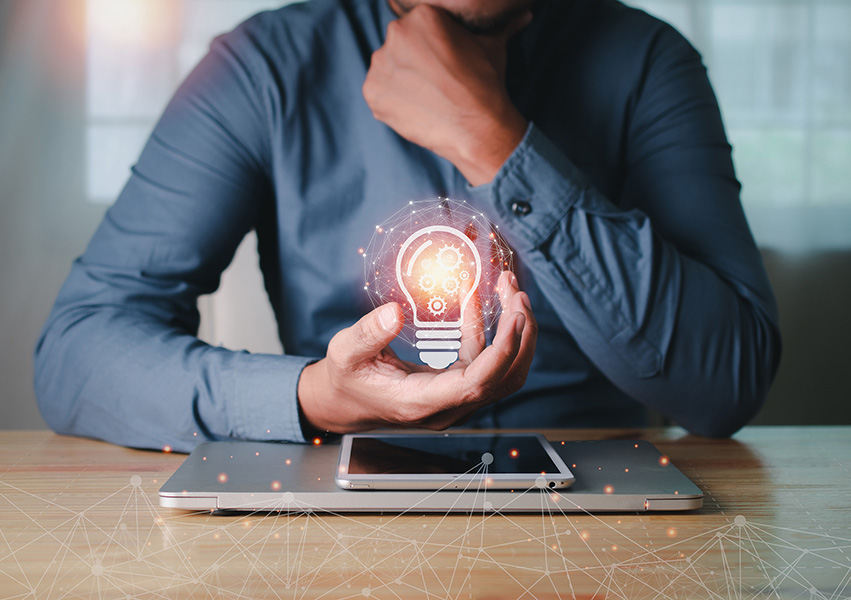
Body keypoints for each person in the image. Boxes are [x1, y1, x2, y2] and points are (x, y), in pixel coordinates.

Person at [34, 0, 781, 453]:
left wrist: (494, 141)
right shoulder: (263, 69)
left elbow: (725, 387)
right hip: (345, 488)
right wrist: (311, 398)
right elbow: (77, 355)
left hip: (597, 509)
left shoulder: (646, 63)